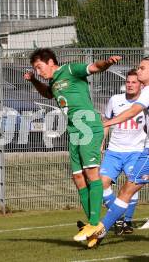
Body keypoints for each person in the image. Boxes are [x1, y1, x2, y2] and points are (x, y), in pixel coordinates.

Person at [23, 48, 121, 248]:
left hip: (87, 125)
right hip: (74, 128)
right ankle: (93, 229)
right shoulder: (52, 80)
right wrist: (34, 80)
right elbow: (49, 95)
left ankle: (94, 224)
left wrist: (108, 63)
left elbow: (95, 67)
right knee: (78, 177)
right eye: (36, 69)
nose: (39, 71)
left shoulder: (70, 69)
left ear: (50, 62)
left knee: (91, 174)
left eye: (39, 67)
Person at [75, 56, 149, 247]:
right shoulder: (125, 97)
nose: (138, 71)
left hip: (143, 151)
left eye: (142, 68)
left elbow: (133, 112)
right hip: (123, 151)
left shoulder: (147, 91)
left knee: (127, 189)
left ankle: (101, 229)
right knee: (126, 189)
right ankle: (104, 228)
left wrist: (106, 123)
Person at [100, 69, 144, 236]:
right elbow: (106, 121)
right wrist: (101, 142)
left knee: (130, 187)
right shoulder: (115, 100)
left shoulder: (144, 101)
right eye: (128, 82)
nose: (130, 85)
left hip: (136, 151)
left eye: (134, 82)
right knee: (102, 183)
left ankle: (127, 222)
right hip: (114, 151)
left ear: (140, 85)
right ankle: (119, 219)